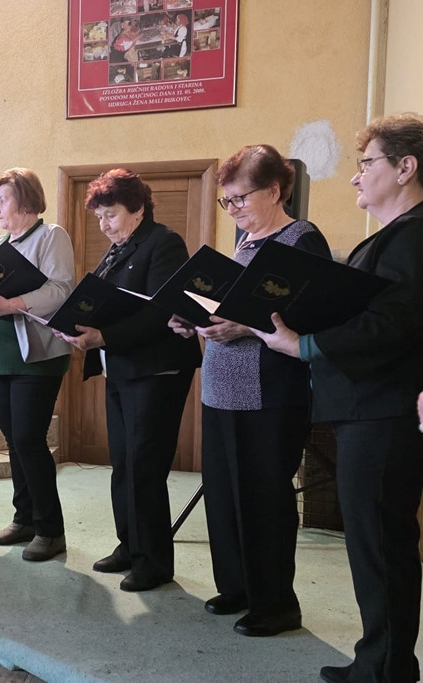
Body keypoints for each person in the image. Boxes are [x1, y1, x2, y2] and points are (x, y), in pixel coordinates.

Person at [254, 114, 423, 683]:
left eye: (366, 163)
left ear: (406, 167)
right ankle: (384, 661)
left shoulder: (413, 234)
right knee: (376, 544)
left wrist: (304, 345)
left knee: (381, 546)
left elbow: (391, 324)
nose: (355, 177)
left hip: (382, 410)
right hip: (367, 408)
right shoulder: (395, 235)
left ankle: (385, 671)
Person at [168, 145, 330, 637]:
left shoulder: (301, 240)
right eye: (228, 201)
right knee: (223, 493)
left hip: (269, 390)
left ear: (275, 191)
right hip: (221, 387)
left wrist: (242, 325)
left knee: (264, 497)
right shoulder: (245, 243)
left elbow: (312, 313)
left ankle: (276, 603)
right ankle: (237, 587)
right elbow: (230, 307)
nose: (233, 209)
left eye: (240, 198)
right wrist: (194, 322)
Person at [57, 169, 201, 591]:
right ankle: (130, 545)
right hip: (122, 368)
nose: (104, 225)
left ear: (138, 209)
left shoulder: (164, 242)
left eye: (111, 215)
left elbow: (160, 312)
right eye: (99, 217)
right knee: (123, 463)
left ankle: (153, 562)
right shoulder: (118, 249)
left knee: (144, 467)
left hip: (157, 370)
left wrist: (103, 336)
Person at [0, 168, 75, 561]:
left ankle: (51, 530)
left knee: (28, 439)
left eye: (2, 200)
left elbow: (61, 289)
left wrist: (12, 305)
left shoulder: (51, 235)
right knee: (14, 441)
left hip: (35, 357)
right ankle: (25, 519)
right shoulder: (0, 244)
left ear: (23, 200)